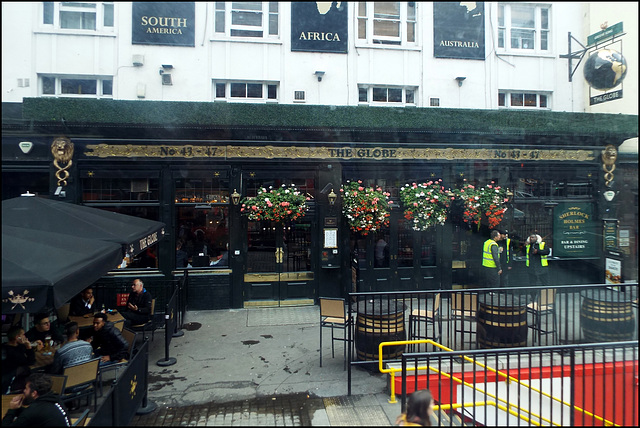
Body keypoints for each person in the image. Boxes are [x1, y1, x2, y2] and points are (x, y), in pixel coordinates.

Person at [1, 373, 71, 426]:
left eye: (26, 388)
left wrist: (12, 410)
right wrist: (17, 409)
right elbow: (36, 414)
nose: (24, 391)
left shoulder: (33, 411)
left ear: (34, 393)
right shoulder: (55, 399)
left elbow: (30, 415)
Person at [2, 326, 42, 394]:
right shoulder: (11, 351)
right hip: (10, 379)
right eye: (23, 334)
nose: (25, 337)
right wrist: (28, 347)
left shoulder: (17, 346)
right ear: (17, 337)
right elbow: (30, 362)